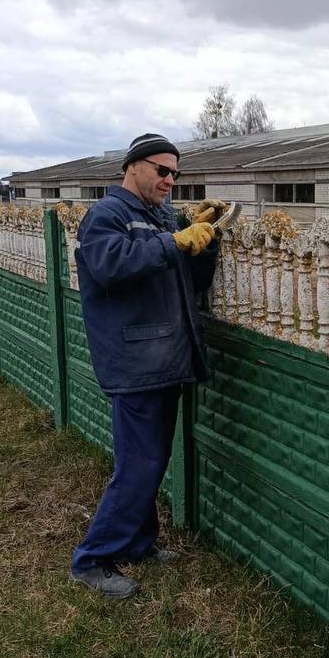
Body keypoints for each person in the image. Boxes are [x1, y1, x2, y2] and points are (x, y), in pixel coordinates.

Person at [69, 132, 225, 599]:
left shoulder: (160, 216)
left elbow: (192, 277)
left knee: (151, 460)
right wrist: (175, 242)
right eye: (162, 170)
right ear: (133, 166)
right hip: (133, 360)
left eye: (176, 174)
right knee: (139, 463)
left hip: (164, 358)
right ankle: (91, 559)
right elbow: (111, 266)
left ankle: (138, 543)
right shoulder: (106, 215)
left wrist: (207, 238)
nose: (169, 180)